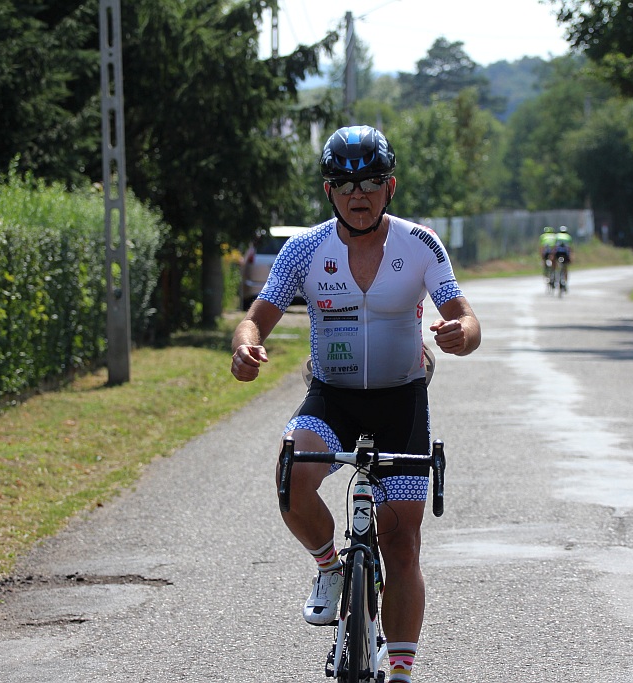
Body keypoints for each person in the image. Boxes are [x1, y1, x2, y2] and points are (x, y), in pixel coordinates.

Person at [230, 125, 481, 683]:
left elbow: (465, 313)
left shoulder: (420, 244)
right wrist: (247, 345)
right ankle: (329, 568)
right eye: (344, 184)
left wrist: (463, 331)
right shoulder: (304, 250)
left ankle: (400, 674)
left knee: (401, 543)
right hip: (333, 399)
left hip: (401, 403)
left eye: (370, 181)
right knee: (290, 471)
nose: (357, 193)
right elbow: (256, 317)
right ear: (329, 192)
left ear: (389, 186)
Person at [552, 225, 573, 289]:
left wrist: (552, 256)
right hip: (565, 254)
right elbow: (570, 248)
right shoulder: (568, 237)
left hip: (558, 253)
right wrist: (571, 257)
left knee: (554, 263)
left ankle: (554, 276)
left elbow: (554, 247)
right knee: (565, 267)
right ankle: (565, 283)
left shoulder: (557, 236)